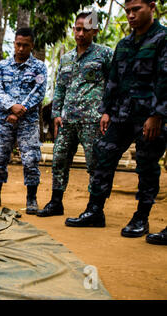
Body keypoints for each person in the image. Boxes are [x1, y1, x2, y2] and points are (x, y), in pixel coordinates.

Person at [65, 0, 166, 238]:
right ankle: (95, 210)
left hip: (149, 117)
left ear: (151, 7)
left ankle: (141, 217)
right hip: (120, 114)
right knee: (103, 154)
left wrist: (157, 115)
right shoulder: (124, 44)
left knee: (147, 165)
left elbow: (165, 79)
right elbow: (113, 81)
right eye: (127, 11)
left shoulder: (162, 39)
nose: (130, 15)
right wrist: (106, 111)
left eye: (136, 10)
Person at [37, 12, 113, 217]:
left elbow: (113, 85)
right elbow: (60, 88)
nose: (80, 33)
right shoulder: (67, 58)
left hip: (93, 120)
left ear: (95, 31)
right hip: (67, 120)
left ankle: (95, 208)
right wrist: (56, 115)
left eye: (85, 29)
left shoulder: (104, 54)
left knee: (94, 163)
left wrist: (107, 112)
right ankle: (56, 202)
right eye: (77, 29)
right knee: (59, 160)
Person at [0, 27, 47, 214]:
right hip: (5, 121)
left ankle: (31, 199)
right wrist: (11, 107)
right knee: (0, 157)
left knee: (30, 159)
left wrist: (19, 111)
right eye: (18, 44)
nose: (20, 49)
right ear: (14, 43)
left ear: (31, 45)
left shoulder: (39, 68)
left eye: (25, 45)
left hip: (28, 121)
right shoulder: (2, 67)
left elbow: (38, 92)